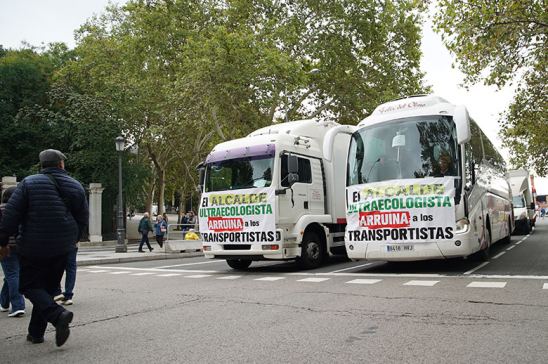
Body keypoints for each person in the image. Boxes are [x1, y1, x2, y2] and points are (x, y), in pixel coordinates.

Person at [0, 149, 88, 346]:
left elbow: (12, 215)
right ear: (61, 164)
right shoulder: (75, 185)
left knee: (28, 286)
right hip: (62, 246)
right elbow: (83, 218)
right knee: (47, 289)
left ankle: (58, 316)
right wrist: (72, 240)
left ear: (42, 165)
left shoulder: (29, 183)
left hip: (33, 245)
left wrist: (3, 240)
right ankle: (36, 333)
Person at [0, 186, 26, 318]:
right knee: (13, 274)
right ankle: (4, 302)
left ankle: (18, 306)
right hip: (21, 245)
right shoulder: (22, 210)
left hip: (5, 247)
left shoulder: (1, 209)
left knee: (12, 274)